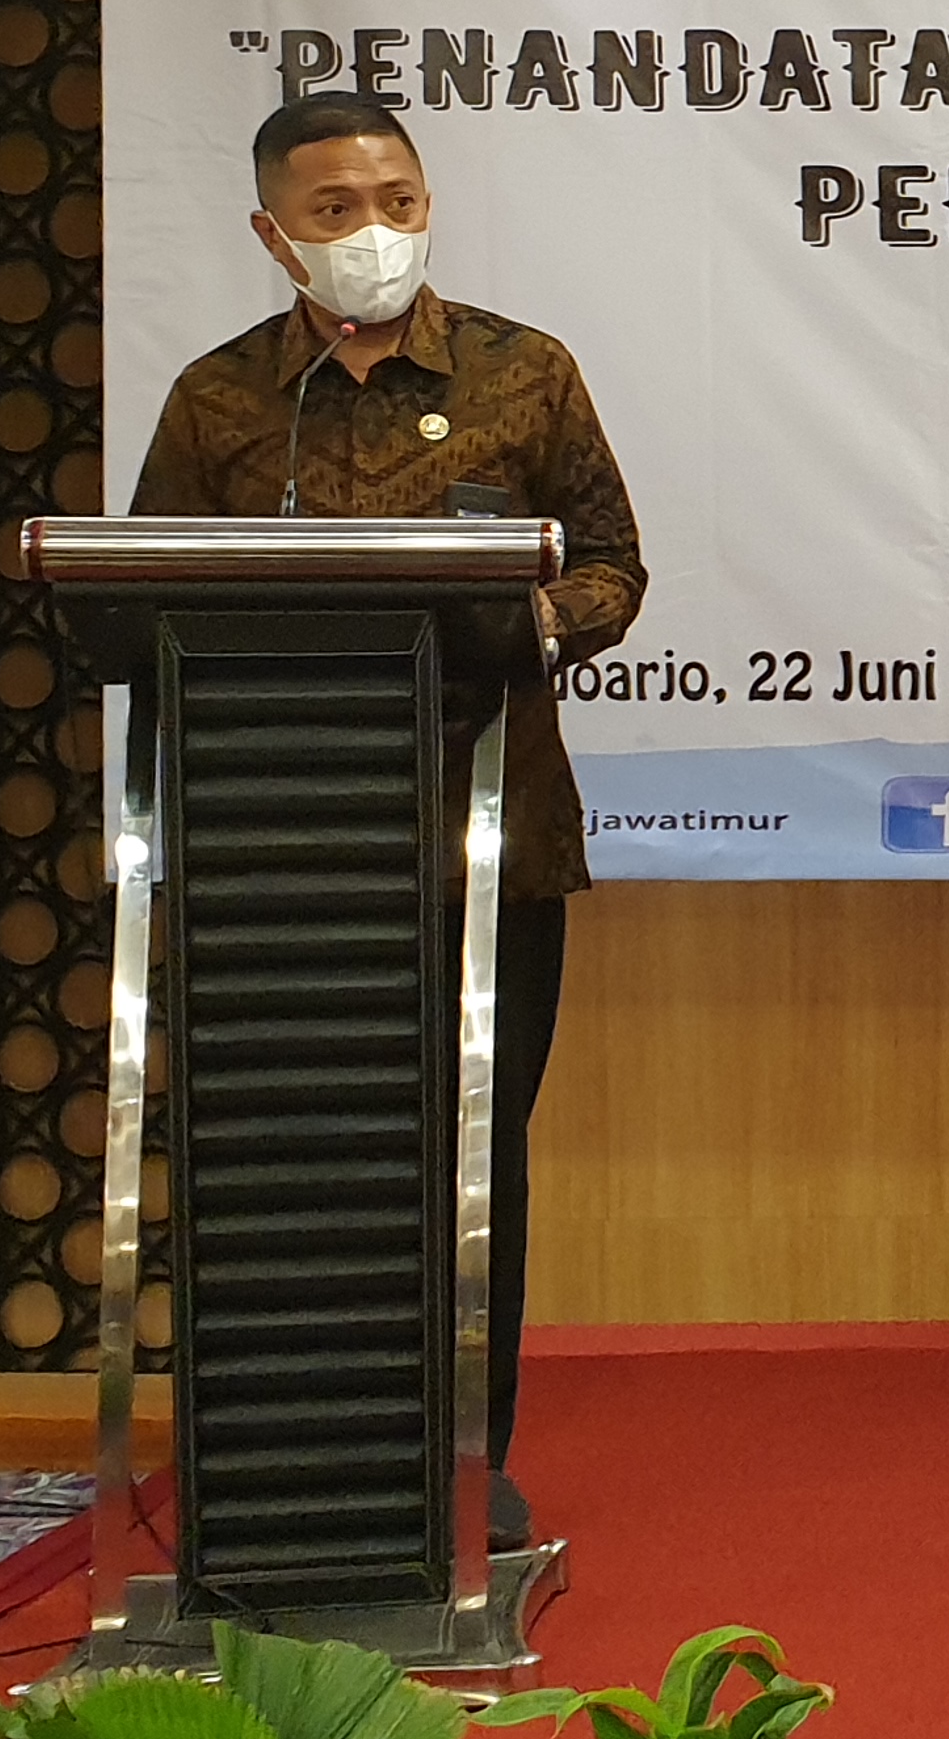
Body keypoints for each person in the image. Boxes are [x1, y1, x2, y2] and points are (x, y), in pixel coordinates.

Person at [129, 91, 643, 1552]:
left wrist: (535, 623)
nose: (374, 232)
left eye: (397, 201)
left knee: (475, 1159)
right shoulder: (220, 400)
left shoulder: (523, 372)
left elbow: (612, 564)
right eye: (336, 210)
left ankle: (468, 1467)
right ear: (273, 232)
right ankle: (294, 1471)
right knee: (301, 1163)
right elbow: (146, 595)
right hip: (281, 854)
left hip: (489, 841)